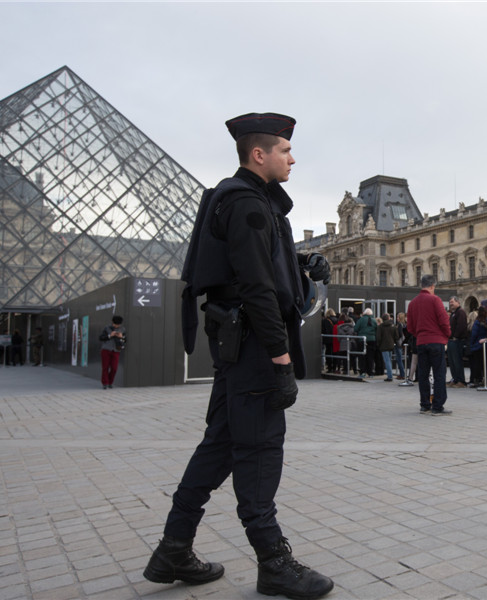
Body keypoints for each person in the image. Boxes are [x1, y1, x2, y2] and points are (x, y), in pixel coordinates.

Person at [144, 112, 334, 599]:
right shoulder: (249, 203)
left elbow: (251, 263)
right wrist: (281, 358)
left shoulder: (238, 201)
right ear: (259, 154)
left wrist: (299, 262)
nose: (292, 158)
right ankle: (274, 562)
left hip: (237, 345)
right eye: (285, 150)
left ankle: (173, 548)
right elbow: (256, 286)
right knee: (259, 452)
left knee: (220, 448)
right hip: (254, 349)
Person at [406, 275, 452, 414]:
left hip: (421, 342)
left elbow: (410, 327)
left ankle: (425, 404)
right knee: (439, 373)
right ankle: (437, 406)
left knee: (423, 374)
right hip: (436, 341)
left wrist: (420, 334)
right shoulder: (435, 299)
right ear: (432, 286)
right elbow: (444, 320)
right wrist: (447, 334)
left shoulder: (413, 303)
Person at [99, 316, 126, 389]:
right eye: (115, 324)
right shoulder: (107, 328)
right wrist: (109, 335)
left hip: (116, 350)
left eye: (118, 324)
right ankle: (105, 383)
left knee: (114, 368)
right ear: (112, 322)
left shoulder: (122, 329)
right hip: (106, 349)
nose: (117, 326)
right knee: (105, 367)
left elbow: (125, 341)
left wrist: (121, 337)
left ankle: (110, 382)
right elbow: (101, 338)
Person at [468, 305, 487, 387]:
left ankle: (477, 380)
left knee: (477, 364)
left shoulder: (477, 321)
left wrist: (471, 344)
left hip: (478, 345)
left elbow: (474, 334)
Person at [446, 296, 468, 387]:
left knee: (457, 361)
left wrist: (455, 336)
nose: (451, 304)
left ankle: (461, 380)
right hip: (451, 340)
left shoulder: (461, 312)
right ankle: (455, 379)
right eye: (450, 302)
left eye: (452, 302)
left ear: (458, 302)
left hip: (457, 341)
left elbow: (461, 326)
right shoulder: (454, 313)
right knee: (451, 362)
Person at [354, 308, 378, 377]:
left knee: (362, 357)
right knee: (370, 357)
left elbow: (355, 328)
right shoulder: (374, 320)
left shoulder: (361, 319)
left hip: (362, 340)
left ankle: (363, 372)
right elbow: (377, 329)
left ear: (364, 313)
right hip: (372, 340)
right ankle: (370, 372)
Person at [377, 313, 397, 381]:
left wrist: (378, 345)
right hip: (391, 345)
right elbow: (396, 336)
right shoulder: (393, 326)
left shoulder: (380, 326)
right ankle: (390, 374)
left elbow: (378, 337)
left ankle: (390, 376)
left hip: (383, 345)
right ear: (389, 318)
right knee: (389, 360)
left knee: (387, 361)